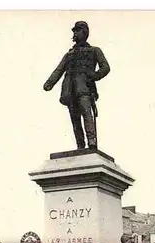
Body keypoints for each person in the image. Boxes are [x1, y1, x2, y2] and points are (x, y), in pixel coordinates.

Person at [43, 21, 110, 149]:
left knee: (87, 114)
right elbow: (59, 69)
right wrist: (49, 83)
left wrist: (94, 76)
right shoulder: (69, 54)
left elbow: (105, 67)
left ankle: (91, 141)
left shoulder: (94, 51)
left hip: (84, 87)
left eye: (77, 31)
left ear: (84, 32)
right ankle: (80, 144)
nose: (74, 34)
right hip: (69, 89)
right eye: (74, 31)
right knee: (74, 119)